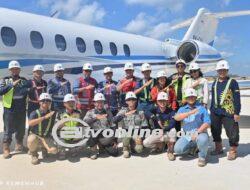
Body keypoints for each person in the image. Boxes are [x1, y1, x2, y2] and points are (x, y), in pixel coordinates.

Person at [210, 60, 241, 160]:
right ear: (217, 71)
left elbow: (237, 98)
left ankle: (233, 150)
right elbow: (214, 97)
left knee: (232, 131)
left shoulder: (233, 82)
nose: (222, 72)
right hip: (215, 111)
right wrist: (211, 110)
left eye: (224, 70)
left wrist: (236, 112)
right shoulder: (214, 82)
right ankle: (218, 148)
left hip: (229, 111)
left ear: (227, 70)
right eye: (220, 70)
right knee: (215, 130)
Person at [0, 60, 31, 159]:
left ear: (19, 70)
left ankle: (19, 145)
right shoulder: (5, 80)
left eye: (16, 69)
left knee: (21, 128)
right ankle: (6, 148)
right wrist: (12, 85)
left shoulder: (24, 80)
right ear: (10, 70)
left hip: (21, 108)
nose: (14, 71)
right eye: (13, 69)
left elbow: (29, 89)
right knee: (8, 130)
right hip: (9, 108)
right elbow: (0, 91)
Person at [174, 88, 211, 167]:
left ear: (195, 97)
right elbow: (177, 118)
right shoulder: (182, 109)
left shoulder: (201, 108)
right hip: (187, 135)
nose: (191, 98)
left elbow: (207, 122)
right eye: (189, 97)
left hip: (200, 133)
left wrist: (197, 132)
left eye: (192, 96)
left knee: (203, 140)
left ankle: (202, 156)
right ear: (186, 98)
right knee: (177, 149)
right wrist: (190, 113)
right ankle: (194, 147)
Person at [113, 92, 148, 158]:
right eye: (129, 100)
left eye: (133, 99)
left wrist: (141, 137)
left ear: (136, 100)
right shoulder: (123, 111)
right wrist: (124, 115)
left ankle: (132, 146)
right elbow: (114, 120)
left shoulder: (140, 112)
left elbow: (144, 126)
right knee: (126, 136)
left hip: (136, 134)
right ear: (126, 101)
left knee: (139, 149)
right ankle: (125, 148)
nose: (131, 101)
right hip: (126, 133)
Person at [143, 92, 177, 161]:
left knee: (173, 130)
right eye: (160, 101)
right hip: (158, 132)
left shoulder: (171, 111)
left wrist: (165, 128)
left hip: (167, 131)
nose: (162, 102)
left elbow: (172, 123)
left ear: (167, 101)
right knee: (145, 143)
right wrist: (155, 117)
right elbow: (146, 111)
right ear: (157, 102)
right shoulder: (155, 109)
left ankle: (170, 151)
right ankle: (160, 145)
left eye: (164, 101)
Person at [84, 93, 118, 160]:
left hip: (104, 135)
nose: (100, 104)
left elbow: (113, 126)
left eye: (102, 102)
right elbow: (84, 123)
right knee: (90, 133)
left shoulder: (108, 112)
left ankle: (102, 145)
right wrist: (95, 118)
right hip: (94, 135)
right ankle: (93, 150)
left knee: (115, 152)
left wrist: (115, 140)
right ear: (94, 103)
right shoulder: (90, 112)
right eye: (98, 102)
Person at [27, 93, 57, 165]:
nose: (45, 102)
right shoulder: (34, 113)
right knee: (31, 140)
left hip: (46, 137)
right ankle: (34, 154)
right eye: (43, 100)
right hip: (36, 136)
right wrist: (44, 117)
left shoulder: (53, 113)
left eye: (48, 100)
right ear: (39, 102)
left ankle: (44, 149)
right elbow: (30, 123)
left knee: (54, 151)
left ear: (50, 102)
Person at [57, 94, 82, 160]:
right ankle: (62, 151)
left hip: (73, 135)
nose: (71, 104)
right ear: (64, 104)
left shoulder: (78, 113)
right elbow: (55, 127)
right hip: (62, 136)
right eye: (69, 102)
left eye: (72, 102)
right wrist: (62, 124)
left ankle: (73, 149)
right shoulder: (60, 113)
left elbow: (81, 125)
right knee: (58, 138)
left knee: (84, 140)